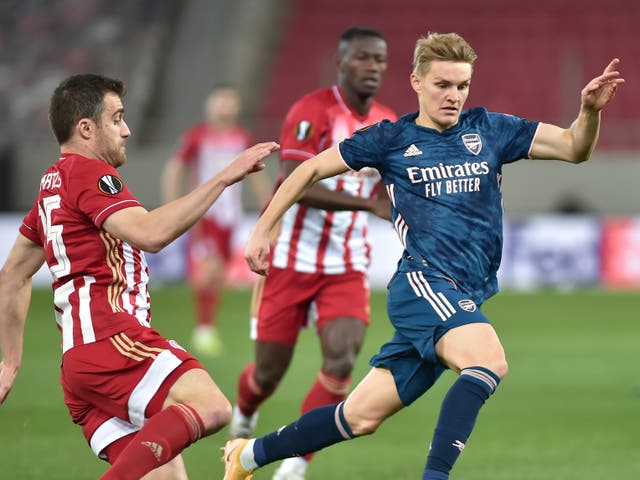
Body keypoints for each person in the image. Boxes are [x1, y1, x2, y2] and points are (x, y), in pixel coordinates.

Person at [222, 32, 624, 480]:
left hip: (463, 291)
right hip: (424, 285)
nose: (453, 96)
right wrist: (264, 227)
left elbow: (574, 148)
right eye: (442, 85)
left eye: (462, 86)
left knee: (358, 417)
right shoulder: (390, 139)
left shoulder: (490, 129)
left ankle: (246, 456)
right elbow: (311, 168)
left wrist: (588, 112)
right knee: (487, 361)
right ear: (416, 81)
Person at [0, 73, 278, 479]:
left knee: (167, 475)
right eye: (117, 119)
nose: (126, 130)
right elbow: (151, 234)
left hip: (79, 366)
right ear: (86, 129)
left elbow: (13, 275)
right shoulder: (90, 175)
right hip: (113, 342)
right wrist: (224, 176)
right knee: (213, 406)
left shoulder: (50, 187)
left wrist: (10, 363)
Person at [228, 26, 397, 480]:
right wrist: (367, 204)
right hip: (290, 261)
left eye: (379, 60)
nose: (372, 67)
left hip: (345, 265)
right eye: (362, 58)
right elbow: (294, 180)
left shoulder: (387, 122)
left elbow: (393, 191)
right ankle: (244, 413)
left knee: (342, 360)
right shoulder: (312, 111)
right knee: (267, 375)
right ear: (341, 64)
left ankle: (296, 461)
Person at [162, 85, 272, 356]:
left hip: (229, 216)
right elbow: (175, 168)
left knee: (219, 272)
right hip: (205, 214)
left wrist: (269, 204)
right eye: (220, 102)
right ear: (210, 105)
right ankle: (204, 329)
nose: (225, 107)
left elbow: (256, 173)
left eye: (229, 102)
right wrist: (174, 203)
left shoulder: (241, 137)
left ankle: (207, 327)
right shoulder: (197, 136)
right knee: (209, 269)